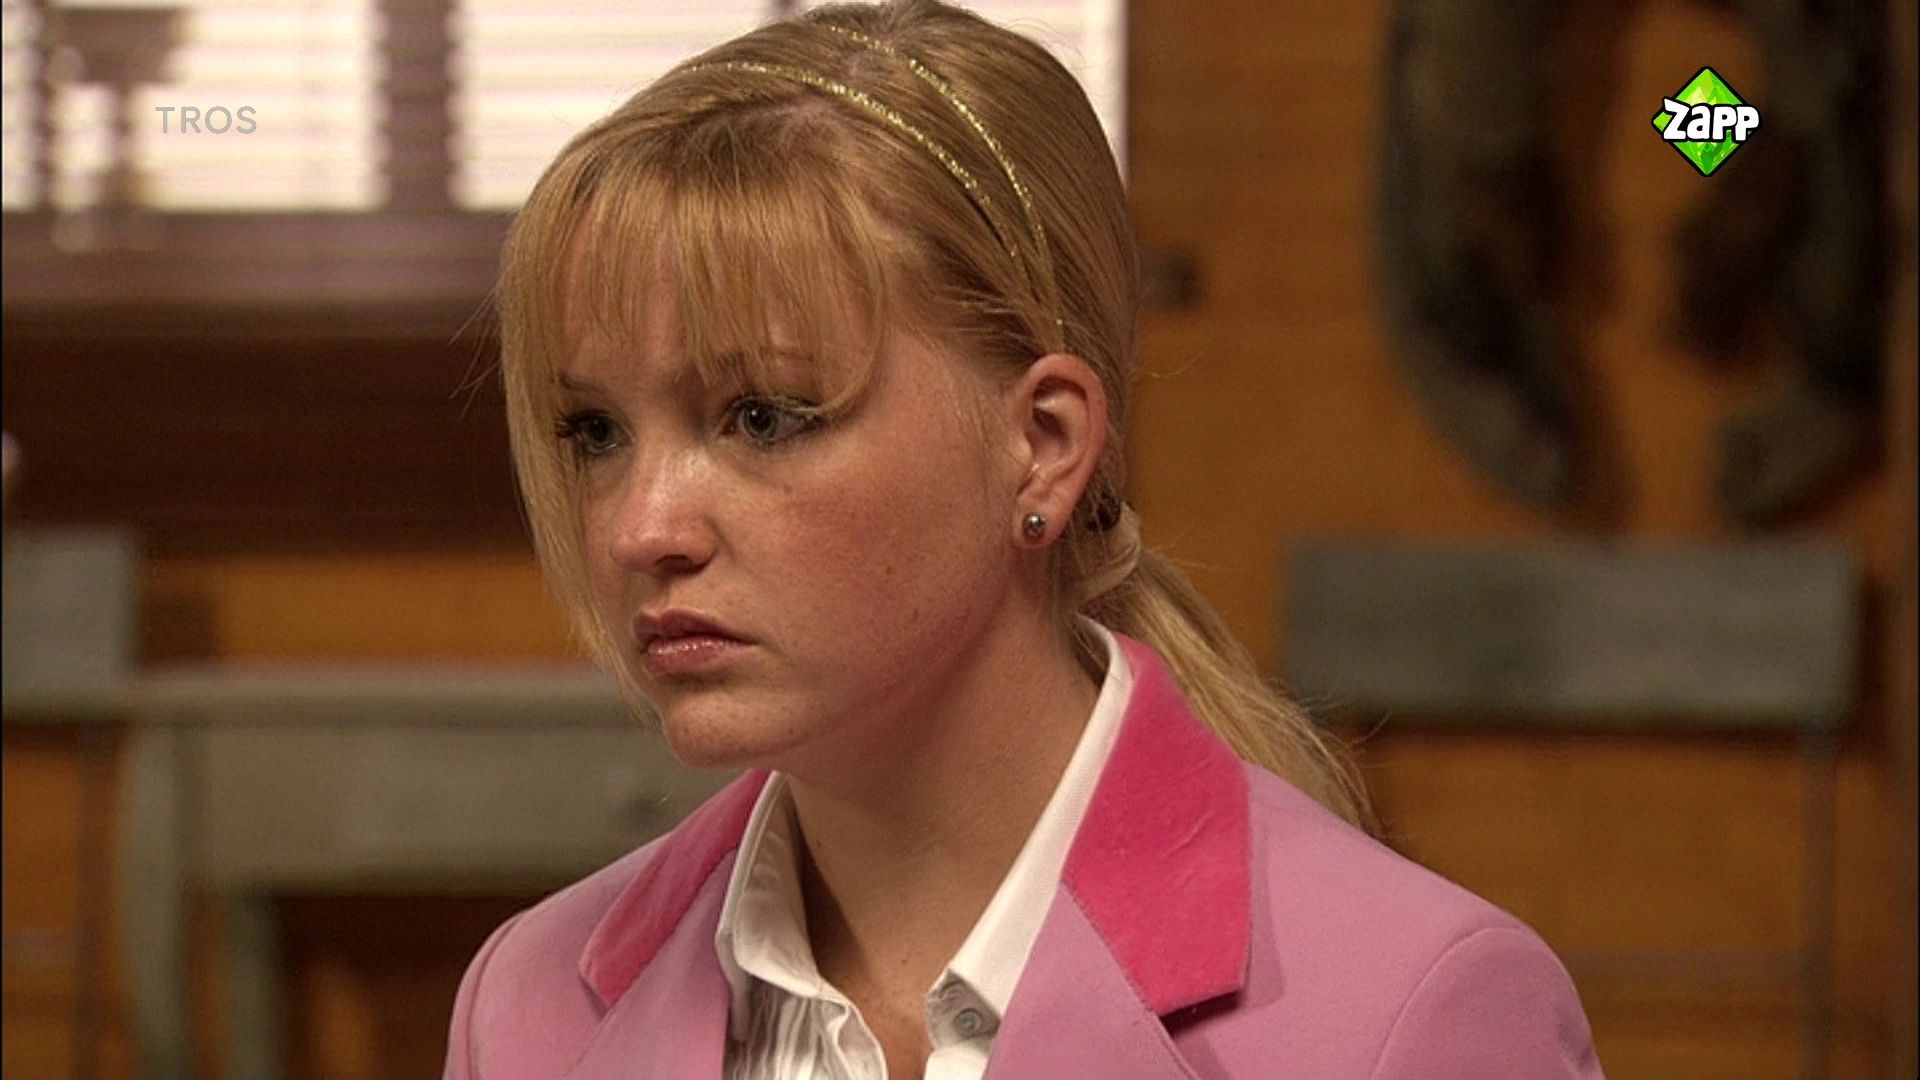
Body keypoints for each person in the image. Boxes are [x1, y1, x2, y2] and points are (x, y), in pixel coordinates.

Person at [444, 2, 1602, 1077]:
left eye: (763, 417)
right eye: (595, 431)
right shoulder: (524, 1012)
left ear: (1043, 443)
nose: (641, 527)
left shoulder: (1418, 1014)